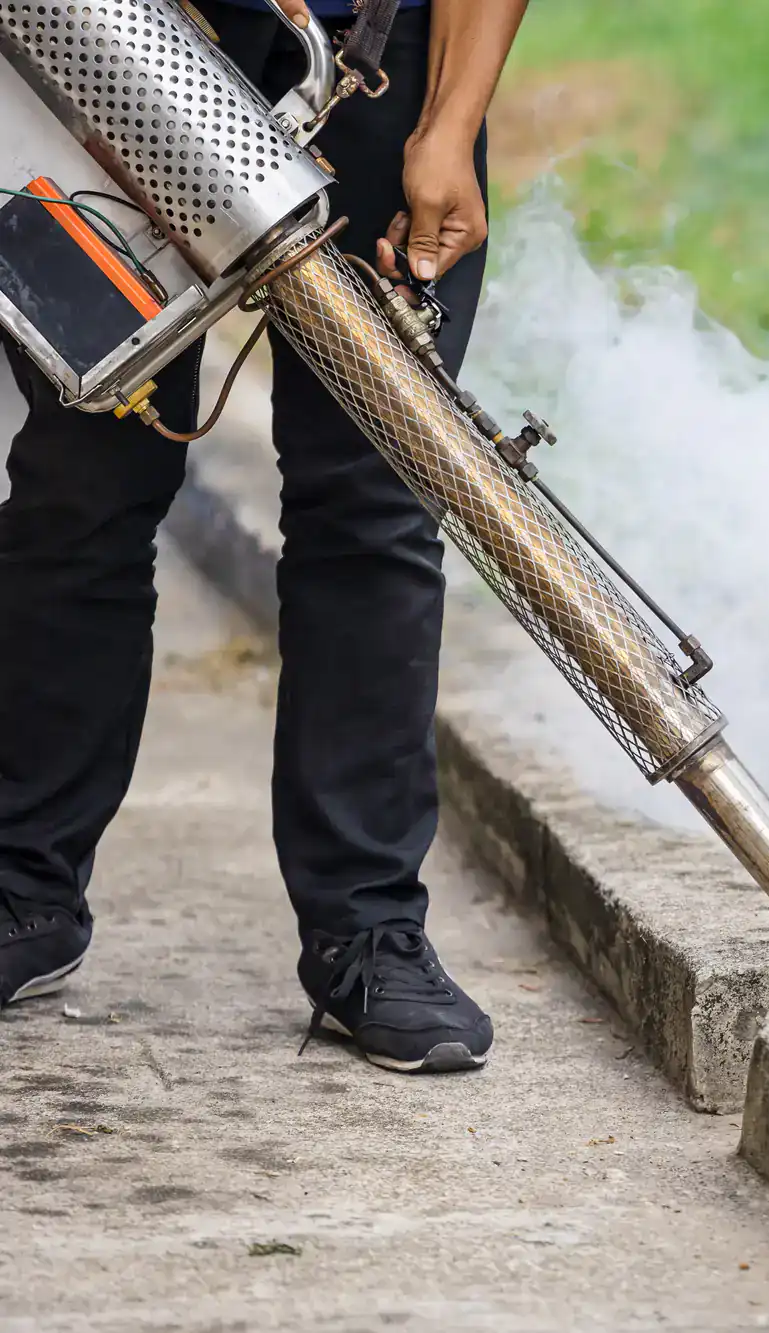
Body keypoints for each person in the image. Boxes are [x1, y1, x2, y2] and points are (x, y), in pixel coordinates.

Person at [0, 0, 528, 1073]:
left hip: (380, 63)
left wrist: (449, 123)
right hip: (124, 45)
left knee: (374, 501)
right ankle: (23, 890)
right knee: (79, 481)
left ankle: (367, 933)